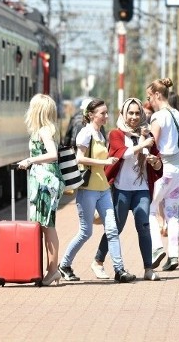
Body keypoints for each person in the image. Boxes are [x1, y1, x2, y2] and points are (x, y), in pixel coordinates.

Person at [58, 98, 137, 283]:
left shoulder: (101, 134)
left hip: (103, 189)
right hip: (88, 189)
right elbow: (79, 159)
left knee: (112, 229)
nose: (106, 116)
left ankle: (119, 270)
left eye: (107, 112)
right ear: (91, 115)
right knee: (86, 232)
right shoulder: (86, 134)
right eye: (103, 113)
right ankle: (64, 265)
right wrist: (104, 162)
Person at [91, 98, 163, 281]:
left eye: (137, 113)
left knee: (144, 226)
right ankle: (98, 261)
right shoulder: (116, 134)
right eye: (130, 113)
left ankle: (148, 269)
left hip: (142, 189)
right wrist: (143, 144)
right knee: (116, 228)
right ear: (123, 114)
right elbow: (123, 153)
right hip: (121, 189)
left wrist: (155, 162)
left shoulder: (147, 135)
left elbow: (158, 165)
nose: (134, 116)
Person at [17, 94, 64, 286]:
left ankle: (53, 270)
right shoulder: (44, 130)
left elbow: (52, 155)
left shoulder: (44, 130)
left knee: (47, 225)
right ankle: (48, 269)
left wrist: (30, 160)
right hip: (42, 182)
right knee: (43, 225)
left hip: (46, 183)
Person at [146, 78, 179, 272]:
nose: (149, 102)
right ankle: (174, 255)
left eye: (149, 97)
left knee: (150, 210)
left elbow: (152, 144)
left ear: (157, 95)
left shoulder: (158, 117)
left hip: (163, 170)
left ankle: (156, 248)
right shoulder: (177, 114)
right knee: (172, 213)